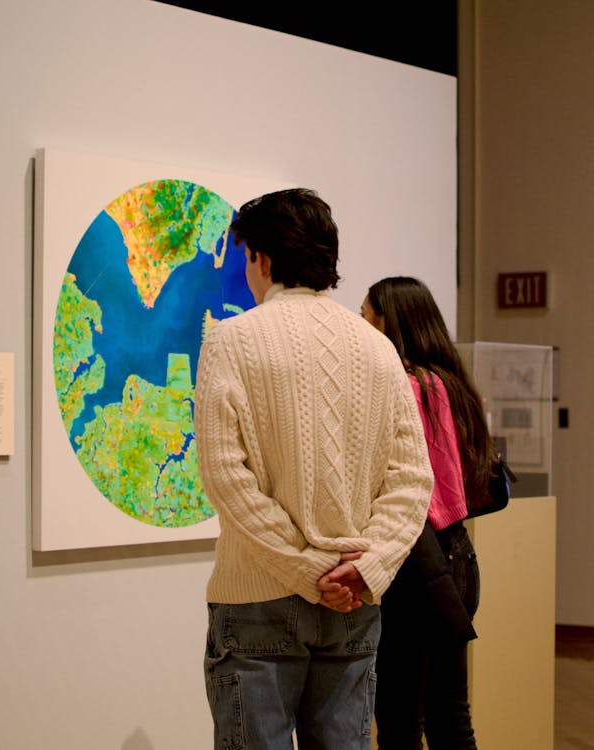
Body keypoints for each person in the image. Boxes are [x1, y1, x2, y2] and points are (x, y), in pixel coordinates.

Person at [194, 189, 434, 750]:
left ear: (263, 258)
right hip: (352, 602)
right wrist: (364, 566)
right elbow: (411, 481)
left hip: (257, 599)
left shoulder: (229, 341)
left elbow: (227, 479)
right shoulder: (378, 350)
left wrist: (305, 569)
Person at [360, 276, 494, 750]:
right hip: (456, 557)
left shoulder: (409, 385)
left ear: (390, 322)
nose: (361, 329)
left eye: (366, 318)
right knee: (449, 714)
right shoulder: (451, 383)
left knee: (399, 721)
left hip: (418, 561)